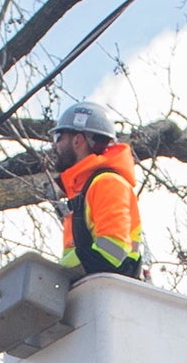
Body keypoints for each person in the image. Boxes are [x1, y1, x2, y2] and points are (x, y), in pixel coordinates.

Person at [52, 100, 144, 281]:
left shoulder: (107, 183)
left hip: (109, 293)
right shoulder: (83, 191)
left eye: (58, 137)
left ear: (77, 140)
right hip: (93, 292)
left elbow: (112, 251)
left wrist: (55, 275)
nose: (55, 146)